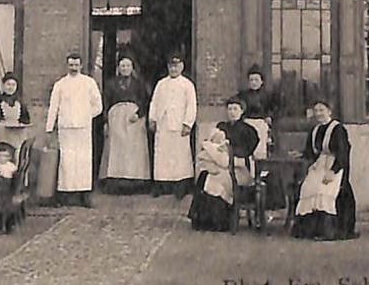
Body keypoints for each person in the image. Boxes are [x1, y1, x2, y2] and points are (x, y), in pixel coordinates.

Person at [189, 96, 259, 232]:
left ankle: (221, 222)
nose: (232, 112)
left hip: (238, 167)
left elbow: (247, 150)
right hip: (219, 164)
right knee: (205, 176)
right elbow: (212, 141)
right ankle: (203, 220)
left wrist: (229, 149)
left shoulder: (249, 130)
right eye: (229, 109)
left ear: (242, 111)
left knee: (217, 180)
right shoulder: (222, 126)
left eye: (235, 109)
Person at [292, 99, 357, 241]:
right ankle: (310, 230)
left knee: (324, 191)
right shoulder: (315, 129)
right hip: (320, 164)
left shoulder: (338, 129)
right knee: (307, 188)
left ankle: (329, 231)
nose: (318, 113)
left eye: (321, 110)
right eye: (316, 111)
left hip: (335, 165)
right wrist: (302, 154)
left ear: (329, 111)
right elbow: (311, 151)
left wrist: (333, 171)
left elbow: (343, 152)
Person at [46, 52, 103, 207]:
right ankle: (65, 194)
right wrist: (49, 128)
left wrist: (85, 116)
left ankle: (85, 194)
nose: (73, 68)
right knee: (67, 160)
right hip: (66, 128)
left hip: (83, 128)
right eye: (71, 65)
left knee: (83, 160)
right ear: (67, 65)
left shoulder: (89, 83)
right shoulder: (60, 84)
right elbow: (53, 108)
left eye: (76, 65)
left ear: (81, 65)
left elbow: (98, 105)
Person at [148, 53, 197, 199]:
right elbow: (154, 102)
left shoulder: (187, 84)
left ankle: (180, 186)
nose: (173, 69)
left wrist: (188, 123)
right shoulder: (161, 84)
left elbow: (191, 106)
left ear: (182, 66)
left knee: (180, 156)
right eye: (171, 66)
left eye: (176, 66)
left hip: (179, 125)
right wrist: (152, 119)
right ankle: (162, 185)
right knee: (162, 155)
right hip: (163, 124)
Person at [101, 53, 150, 194]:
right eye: (122, 65)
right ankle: (116, 182)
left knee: (134, 149)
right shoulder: (111, 84)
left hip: (134, 118)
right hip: (116, 118)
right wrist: (106, 122)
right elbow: (105, 103)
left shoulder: (139, 84)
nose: (125, 68)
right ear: (118, 67)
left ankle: (135, 183)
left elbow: (146, 101)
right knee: (117, 149)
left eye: (128, 65)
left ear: (132, 67)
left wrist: (139, 114)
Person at [238, 64, 278, 159]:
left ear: (262, 81)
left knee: (262, 138)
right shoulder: (243, 95)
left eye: (256, 80)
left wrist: (269, 116)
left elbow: (273, 108)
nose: (254, 83)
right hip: (247, 121)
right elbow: (239, 107)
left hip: (261, 122)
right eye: (251, 80)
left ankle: (261, 161)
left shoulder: (268, 95)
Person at [0, 72, 31, 150]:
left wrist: (22, 124)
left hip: (17, 136)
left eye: (13, 85)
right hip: (1, 135)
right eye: (8, 84)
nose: (11, 87)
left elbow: (26, 119)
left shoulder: (20, 102)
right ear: (3, 85)